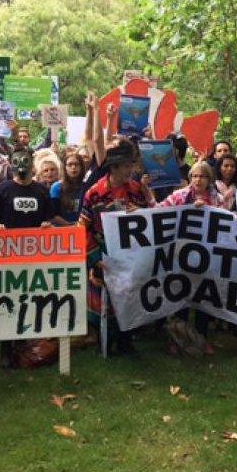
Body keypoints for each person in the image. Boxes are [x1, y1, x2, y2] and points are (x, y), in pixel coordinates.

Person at [80, 139, 152, 355]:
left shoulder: (138, 189)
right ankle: (106, 340)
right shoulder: (94, 193)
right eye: (128, 165)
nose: (132, 169)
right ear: (115, 167)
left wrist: (139, 212)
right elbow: (83, 228)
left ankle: (126, 341)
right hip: (104, 253)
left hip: (131, 254)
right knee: (105, 300)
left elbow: (150, 217)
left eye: (133, 164)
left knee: (129, 296)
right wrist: (96, 258)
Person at [0, 147, 56, 367]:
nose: (21, 165)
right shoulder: (2, 189)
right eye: (17, 160)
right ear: (11, 163)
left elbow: (48, 219)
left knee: (31, 297)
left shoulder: (41, 191)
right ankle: (6, 348)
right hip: (8, 254)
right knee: (9, 297)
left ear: (32, 163)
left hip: (35, 254)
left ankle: (26, 344)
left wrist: (47, 226)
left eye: (25, 160)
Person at [157, 161, 226, 356]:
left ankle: (201, 340)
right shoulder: (178, 196)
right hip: (181, 255)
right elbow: (159, 211)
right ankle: (177, 340)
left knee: (203, 300)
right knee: (180, 300)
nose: (198, 180)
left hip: (206, 257)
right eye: (194, 176)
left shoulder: (217, 199)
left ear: (209, 179)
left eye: (202, 176)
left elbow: (226, 221)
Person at [50, 152, 86, 225]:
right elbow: (53, 215)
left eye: (76, 164)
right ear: (65, 168)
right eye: (70, 165)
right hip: (62, 230)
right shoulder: (57, 187)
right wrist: (71, 226)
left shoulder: (86, 187)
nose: (73, 167)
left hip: (82, 228)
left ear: (81, 167)